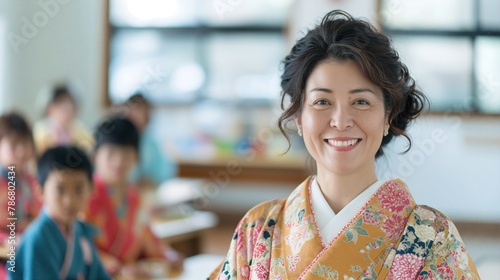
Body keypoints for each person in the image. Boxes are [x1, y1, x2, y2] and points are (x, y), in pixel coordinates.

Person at [210, 10, 479, 279]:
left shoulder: (433, 238)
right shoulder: (257, 229)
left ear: (388, 116)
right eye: (322, 102)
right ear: (299, 118)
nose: (340, 121)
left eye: (360, 102)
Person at [85, 116, 182, 278]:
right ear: (96, 156)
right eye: (111, 154)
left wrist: (168, 255)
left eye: (126, 154)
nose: (118, 162)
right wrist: (119, 269)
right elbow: (80, 247)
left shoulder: (133, 197)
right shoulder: (85, 195)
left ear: (136, 158)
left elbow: (146, 235)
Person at [8, 146, 110, 280]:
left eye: (79, 190)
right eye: (60, 190)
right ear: (40, 191)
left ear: (91, 190)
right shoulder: (38, 237)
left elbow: (99, 275)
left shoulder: (81, 231)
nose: (69, 201)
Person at [0, 112, 42, 279]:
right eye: (14, 145)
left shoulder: (31, 181)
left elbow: (38, 215)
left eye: (26, 144)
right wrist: (5, 239)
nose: (21, 151)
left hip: (25, 247)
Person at [116, 93, 178, 189]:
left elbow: (167, 171)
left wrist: (152, 180)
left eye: (141, 111)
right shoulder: (115, 140)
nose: (136, 115)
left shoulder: (151, 143)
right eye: (133, 109)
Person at [33, 85, 93, 155]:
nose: (66, 108)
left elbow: (89, 153)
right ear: (48, 108)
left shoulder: (82, 131)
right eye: (59, 103)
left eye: (70, 103)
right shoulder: (40, 131)